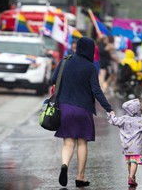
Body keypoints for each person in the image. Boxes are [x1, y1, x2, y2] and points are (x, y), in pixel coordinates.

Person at [51, 37, 114, 187]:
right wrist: (108, 108)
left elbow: (53, 80)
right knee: (82, 143)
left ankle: (65, 164)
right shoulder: (90, 67)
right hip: (83, 110)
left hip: (65, 108)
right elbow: (97, 91)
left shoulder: (65, 60)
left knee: (68, 142)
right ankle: (80, 176)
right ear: (91, 50)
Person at [106, 99, 142, 186]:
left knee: (130, 162)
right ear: (137, 110)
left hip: (126, 146)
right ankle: (131, 177)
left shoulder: (123, 119)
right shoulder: (141, 121)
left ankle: (131, 177)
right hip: (136, 147)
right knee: (134, 162)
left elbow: (114, 121)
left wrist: (111, 114)